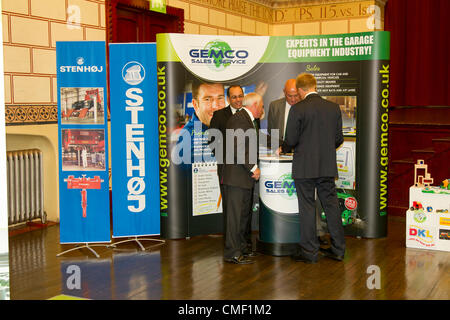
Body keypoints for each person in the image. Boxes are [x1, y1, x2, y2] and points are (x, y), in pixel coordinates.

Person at [283, 73, 345, 264]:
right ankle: (338, 250)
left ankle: (309, 252)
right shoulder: (333, 108)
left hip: (304, 168)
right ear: (315, 86)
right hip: (326, 166)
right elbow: (338, 139)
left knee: (307, 207)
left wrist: (285, 148)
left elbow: (291, 140)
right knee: (332, 207)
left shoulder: (298, 109)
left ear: (301, 90)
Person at [222, 92, 281, 264]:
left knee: (243, 217)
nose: (263, 110)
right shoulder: (239, 119)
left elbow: (260, 139)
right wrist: (253, 168)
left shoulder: (248, 120)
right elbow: (237, 148)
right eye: (262, 106)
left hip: (243, 177)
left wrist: (282, 143)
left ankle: (242, 249)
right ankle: (232, 253)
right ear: (254, 105)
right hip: (236, 177)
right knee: (235, 218)